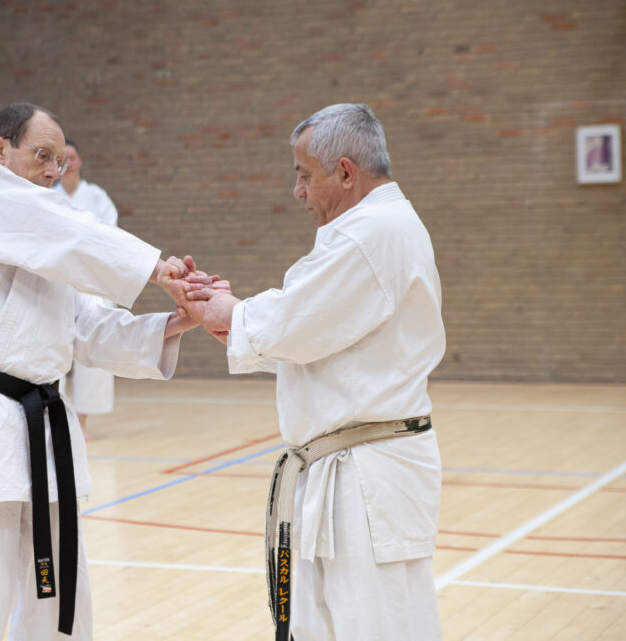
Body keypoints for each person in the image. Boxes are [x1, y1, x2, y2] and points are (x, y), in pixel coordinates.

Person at [0, 102, 220, 640]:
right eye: (42, 155)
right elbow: (52, 226)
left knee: (59, 597)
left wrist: (172, 324)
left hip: (45, 426)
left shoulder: (50, 248)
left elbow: (88, 330)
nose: (55, 171)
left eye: (60, 159)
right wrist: (155, 267)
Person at [176, 104, 445, 639]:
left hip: (367, 478)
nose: (298, 191)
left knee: (376, 628)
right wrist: (232, 316)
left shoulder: (369, 234)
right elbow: (307, 333)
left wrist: (224, 310)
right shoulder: (379, 229)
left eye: (304, 175)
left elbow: (290, 325)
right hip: (352, 470)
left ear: (345, 172)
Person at [53, 139, 119, 440]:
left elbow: (109, 237)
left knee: (93, 353)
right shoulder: (48, 197)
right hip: (58, 280)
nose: (67, 163)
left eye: (72, 157)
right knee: (53, 351)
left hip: (91, 282)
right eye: (61, 158)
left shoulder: (96, 197)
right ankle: (57, 420)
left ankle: (81, 421)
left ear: (79, 161)